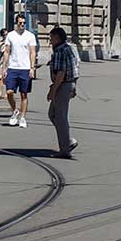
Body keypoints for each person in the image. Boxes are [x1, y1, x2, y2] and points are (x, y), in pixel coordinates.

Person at [46, 25, 79, 159]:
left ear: (58, 38)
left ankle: (65, 149)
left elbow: (61, 73)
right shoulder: (69, 49)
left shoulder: (60, 51)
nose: (50, 40)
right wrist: (74, 85)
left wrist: (52, 91)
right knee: (53, 114)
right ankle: (67, 141)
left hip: (62, 85)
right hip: (68, 84)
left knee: (60, 117)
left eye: (52, 38)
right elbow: (75, 67)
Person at [1, 10, 38, 128]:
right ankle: (15, 111)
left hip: (25, 68)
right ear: (16, 23)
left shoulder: (30, 36)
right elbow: (6, 52)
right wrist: (4, 68)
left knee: (24, 94)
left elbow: (32, 52)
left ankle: (22, 117)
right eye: (20, 23)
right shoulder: (11, 35)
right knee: (9, 92)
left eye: (24, 23)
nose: (22, 25)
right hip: (12, 67)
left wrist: (32, 68)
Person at [0, 28, 9, 98]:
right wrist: (1, 44)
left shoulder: (9, 42)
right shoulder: (0, 42)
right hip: (1, 60)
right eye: (4, 35)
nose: (5, 36)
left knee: (7, 77)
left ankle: (7, 93)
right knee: (0, 77)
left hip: (9, 61)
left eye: (6, 34)